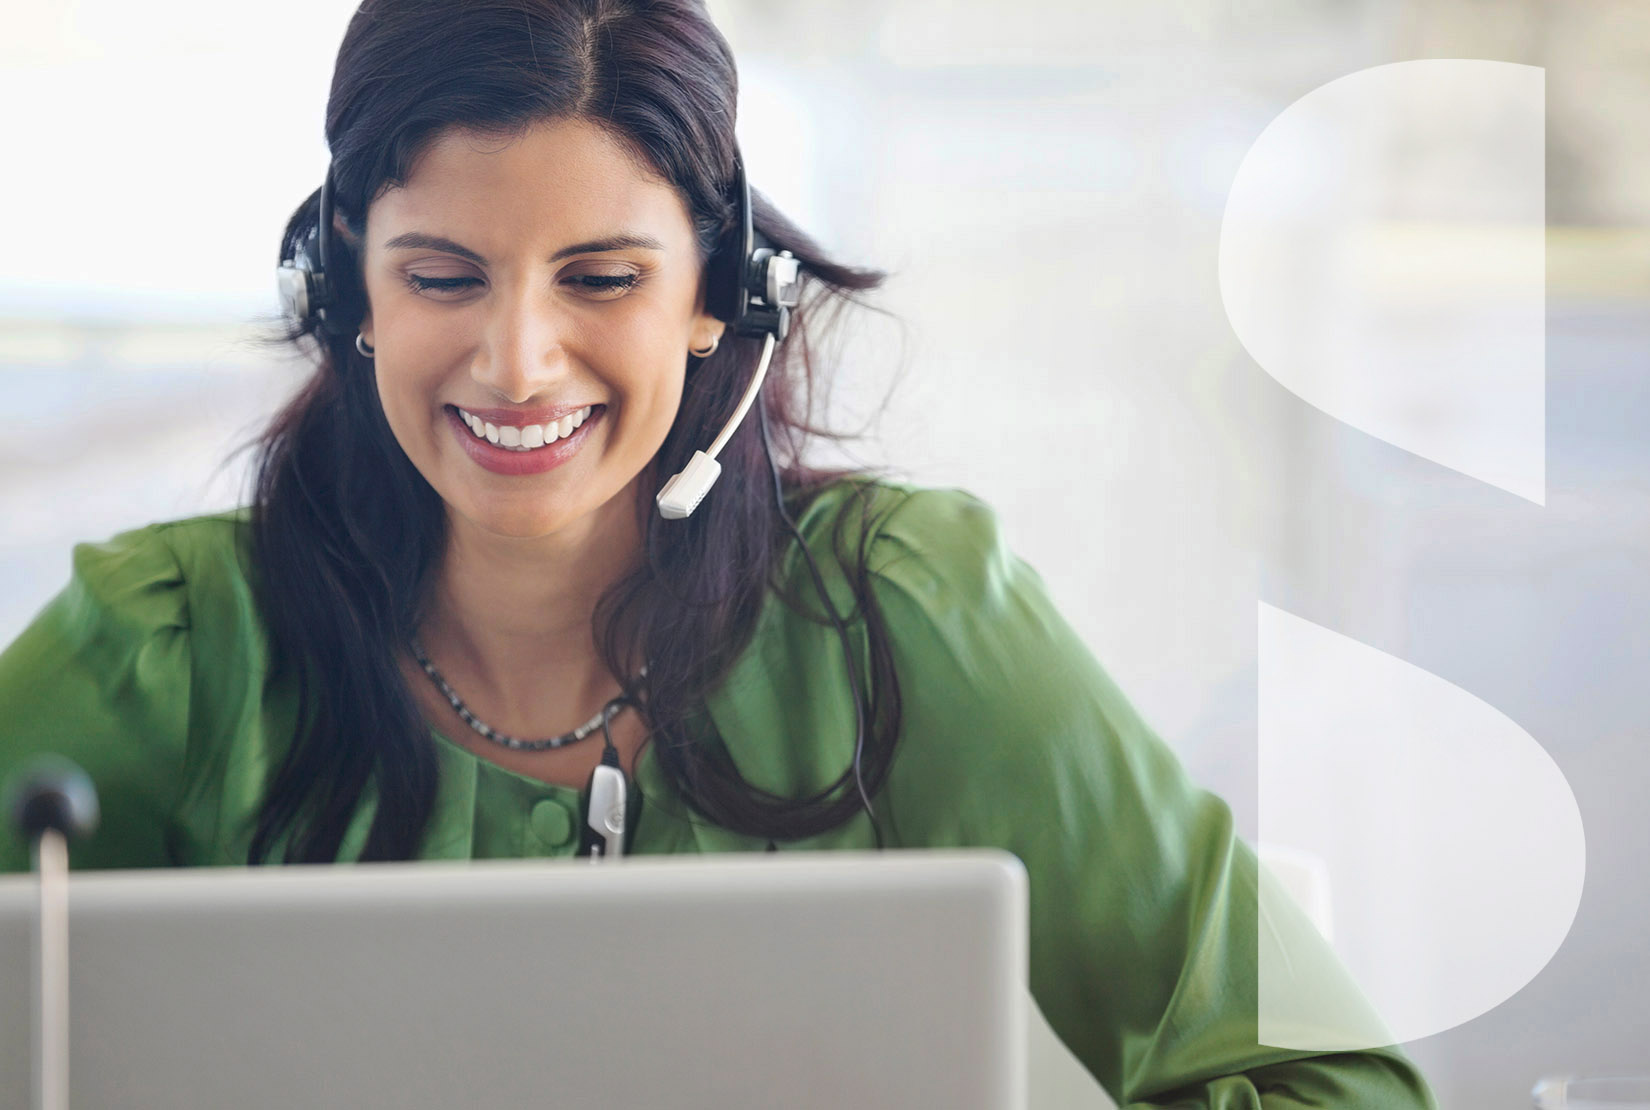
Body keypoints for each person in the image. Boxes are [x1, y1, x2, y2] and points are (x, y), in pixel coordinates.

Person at [0, 1, 1440, 1105]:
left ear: (715, 296)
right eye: (441, 275)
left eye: (601, 280)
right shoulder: (164, 645)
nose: (516, 362)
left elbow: (1343, 1082)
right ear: (346, 287)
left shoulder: (899, 610)